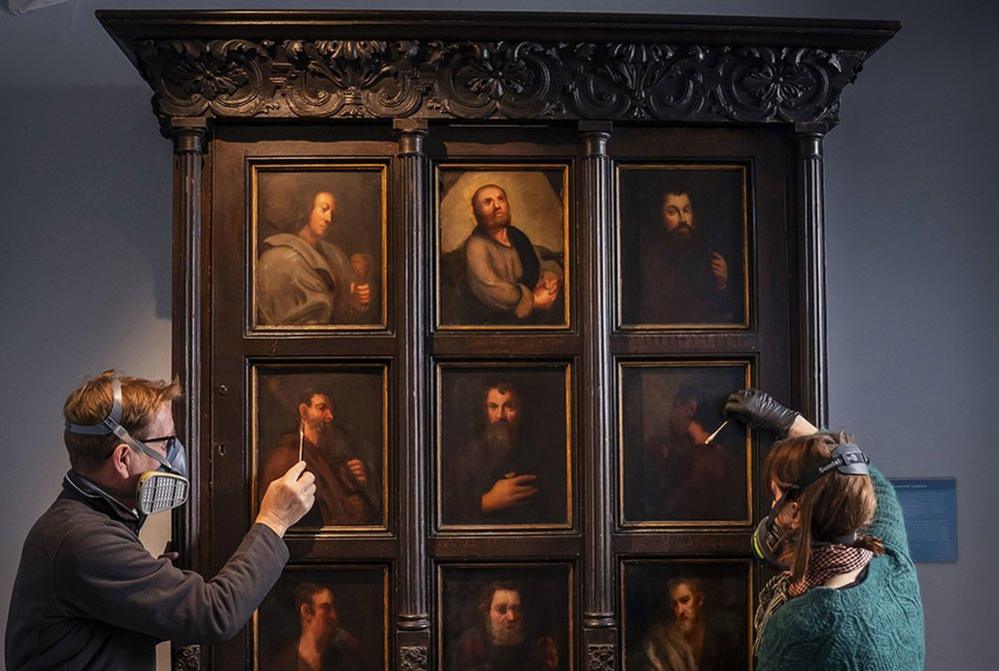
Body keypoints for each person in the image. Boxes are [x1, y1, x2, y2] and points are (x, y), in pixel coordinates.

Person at [6, 371, 316, 670]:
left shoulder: (81, 523)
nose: (175, 456)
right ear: (124, 459)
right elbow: (215, 615)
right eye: (165, 442)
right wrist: (275, 519)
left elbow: (100, 637)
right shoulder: (83, 538)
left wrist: (151, 588)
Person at [723, 389, 925, 671]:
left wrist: (789, 423)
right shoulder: (894, 568)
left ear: (796, 509)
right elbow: (871, 480)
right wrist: (787, 421)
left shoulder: (802, 623)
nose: (771, 506)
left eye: (775, 496)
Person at [443, 382, 564, 525]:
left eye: (509, 407)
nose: (500, 415)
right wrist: (486, 502)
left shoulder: (539, 453)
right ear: (485, 410)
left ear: (521, 410)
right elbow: (449, 512)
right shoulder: (466, 458)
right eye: (493, 407)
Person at [259, 388, 378, 528]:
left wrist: (357, 483)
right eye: (322, 408)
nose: (330, 416)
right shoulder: (285, 456)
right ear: (304, 412)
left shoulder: (327, 458)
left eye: (331, 410)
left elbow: (344, 511)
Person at [257, 190, 376, 325]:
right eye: (324, 209)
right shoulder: (280, 258)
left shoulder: (335, 254)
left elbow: (345, 317)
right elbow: (310, 315)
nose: (329, 219)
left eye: (332, 214)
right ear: (307, 209)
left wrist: (356, 299)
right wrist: (346, 295)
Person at [455, 184, 564, 325]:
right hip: (497, 322)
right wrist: (533, 301)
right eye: (488, 202)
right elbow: (493, 289)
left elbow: (536, 257)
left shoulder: (516, 236)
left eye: (501, 199)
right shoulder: (476, 245)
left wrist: (550, 274)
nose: (497, 206)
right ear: (476, 212)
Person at [635, 382, 742, 521]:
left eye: (675, 406)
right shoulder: (696, 452)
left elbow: (683, 505)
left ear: (691, 408)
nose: (671, 414)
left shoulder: (708, 458)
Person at [627, 190, 737, 325]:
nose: (683, 219)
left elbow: (723, 314)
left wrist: (722, 282)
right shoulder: (649, 260)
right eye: (672, 212)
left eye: (686, 210)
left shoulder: (707, 255)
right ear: (660, 218)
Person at [450, 581, 559, 671]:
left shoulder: (539, 645)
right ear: (487, 612)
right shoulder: (469, 646)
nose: (512, 617)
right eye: (501, 609)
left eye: (516, 609)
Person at [638, 578, 738, 671]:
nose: (679, 610)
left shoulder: (721, 635)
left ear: (699, 600)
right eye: (674, 605)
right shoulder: (661, 638)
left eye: (685, 600)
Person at [264, 583, 369, 671]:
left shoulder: (345, 654)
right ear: (306, 612)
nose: (333, 616)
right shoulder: (284, 661)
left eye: (333, 609)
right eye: (325, 608)